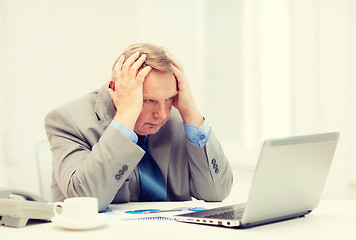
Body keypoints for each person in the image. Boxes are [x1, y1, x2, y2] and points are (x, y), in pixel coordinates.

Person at [45, 43, 233, 211]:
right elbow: (85, 200)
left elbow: (216, 193)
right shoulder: (67, 120)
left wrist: (190, 109)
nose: (162, 115)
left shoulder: (178, 119)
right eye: (149, 100)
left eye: (168, 99)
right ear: (117, 89)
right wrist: (126, 115)